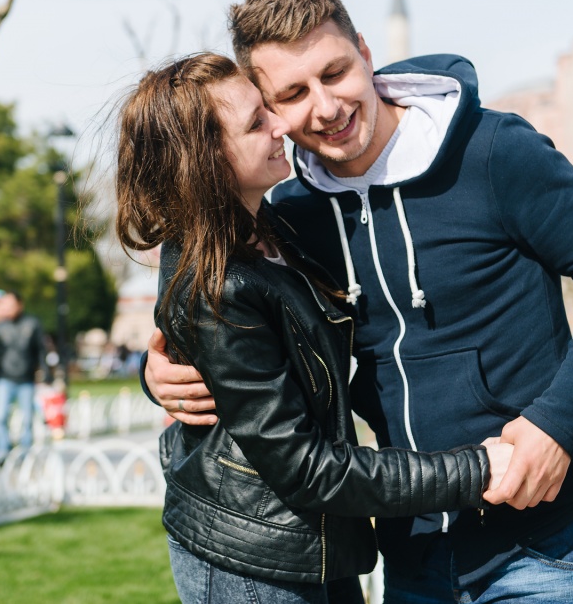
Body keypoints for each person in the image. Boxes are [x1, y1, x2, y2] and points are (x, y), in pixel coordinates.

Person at [143, 0, 573, 602]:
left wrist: (558, 425)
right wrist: (158, 374)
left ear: (365, 52)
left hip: (538, 535)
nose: (326, 107)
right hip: (410, 545)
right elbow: (241, 331)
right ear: (271, 109)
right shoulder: (295, 213)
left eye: (335, 72)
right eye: (294, 93)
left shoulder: (493, 152)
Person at [116, 52, 515, 603]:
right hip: (253, 555)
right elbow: (305, 467)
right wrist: (477, 470)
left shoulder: (270, 226)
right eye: (256, 123)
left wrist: (157, 369)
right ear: (206, 163)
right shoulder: (218, 283)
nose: (281, 125)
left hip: (310, 536)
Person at [0, 290, 47, 465]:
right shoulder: (0, 327)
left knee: (27, 418)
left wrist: (45, 374)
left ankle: (25, 452)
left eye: (10, 305)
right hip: (5, 378)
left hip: (26, 379)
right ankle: (3, 449)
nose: (7, 309)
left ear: (19, 305)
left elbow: (40, 351)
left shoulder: (32, 324)